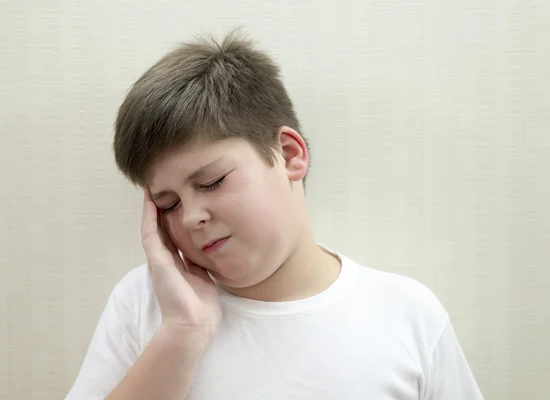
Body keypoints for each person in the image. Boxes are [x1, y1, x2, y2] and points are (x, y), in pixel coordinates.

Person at [65, 31, 483, 400]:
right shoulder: (144, 304)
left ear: (288, 155)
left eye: (211, 182)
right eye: (169, 204)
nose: (191, 217)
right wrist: (182, 334)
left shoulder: (407, 316)